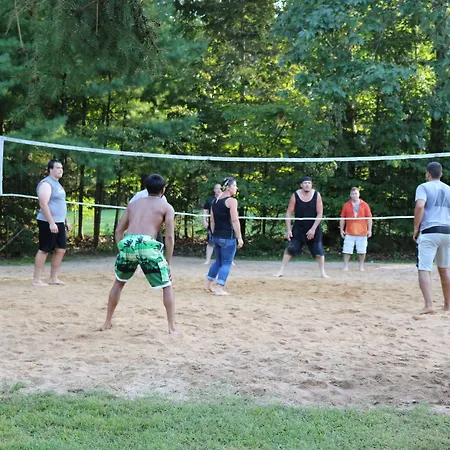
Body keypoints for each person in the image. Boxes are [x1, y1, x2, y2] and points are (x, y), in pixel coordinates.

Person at [102, 174, 180, 333]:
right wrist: (169, 263)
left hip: (128, 242)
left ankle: (107, 322)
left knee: (118, 282)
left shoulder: (133, 204)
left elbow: (118, 231)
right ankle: (172, 328)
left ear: (146, 188)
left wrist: (122, 250)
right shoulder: (166, 207)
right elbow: (169, 237)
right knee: (167, 285)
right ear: (163, 190)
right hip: (147, 243)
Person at [414, 161, 450, 315]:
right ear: (441, 174)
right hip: (447, 231)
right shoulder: (448, 189)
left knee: (424, 269)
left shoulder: (423, 187)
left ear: (427, 174)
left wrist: (416, 227)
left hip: (430, 231)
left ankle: (429, 305)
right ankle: (447, 305)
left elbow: (420, 206)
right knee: (444, 269)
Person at [275, 176, 328, 278]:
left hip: (314, 227)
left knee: (318, 250)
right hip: (299, 227)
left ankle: (323, 273)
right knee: (291, 249)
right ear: (301, 185)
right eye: (305, 183)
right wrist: (288, 229)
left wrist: (313, 229)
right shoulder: (295, 195)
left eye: (309, 183)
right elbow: (289, 213)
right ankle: (281, 270)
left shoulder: (317, 195)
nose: (307, 185)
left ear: (311, 185)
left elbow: (320, 213)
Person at [32, 159, 72, 286]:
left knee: (61, 249)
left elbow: (60, 204)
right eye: (58, 168)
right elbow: (43, 204)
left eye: (61, 168)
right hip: (47, 222)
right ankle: (36, 280)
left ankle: (53, 278)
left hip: (59, 222)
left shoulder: (58, 185)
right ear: (50, 170)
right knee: (44, 249)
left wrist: (66, 220)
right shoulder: (46, 184)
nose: (61, 170)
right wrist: (51, 223)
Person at [205, 177, 244, 295]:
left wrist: (214, 234)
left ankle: (208, 284)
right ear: (228, 187)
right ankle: (219, 288)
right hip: (228, 237)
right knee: (226, 263)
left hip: (216, 236)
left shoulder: (214, 201)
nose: (236, 188)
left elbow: (212, 221)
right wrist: (239, 237)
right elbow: (235, 220)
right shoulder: (231, 201)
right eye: (234, 185)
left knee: (218, 261)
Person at [339, 187, 373, 271]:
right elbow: (342, 218)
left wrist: (369, 230)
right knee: (347, 250)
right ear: (350, 195)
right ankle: (346, 266)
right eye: (353, 194)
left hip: (362, 232)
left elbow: (369, 218)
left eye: (356, 193)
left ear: (359, 194)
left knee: (362, 251)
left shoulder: (365, 205)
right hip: (349, 231)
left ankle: (361, 266)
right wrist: (341, 229)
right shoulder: (346, 205)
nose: (354, 195)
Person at [202, 183, 222, 265]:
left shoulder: (225, 199)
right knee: (210, 242)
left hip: (223, 225)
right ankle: (207, 260)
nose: (219, 190)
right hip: (212, 224)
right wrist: (204, 220)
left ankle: (229, 260)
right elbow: (205, 210)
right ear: (214, 190)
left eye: (220, 188)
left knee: (225, 243)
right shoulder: (210, 200)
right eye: (217, 188)